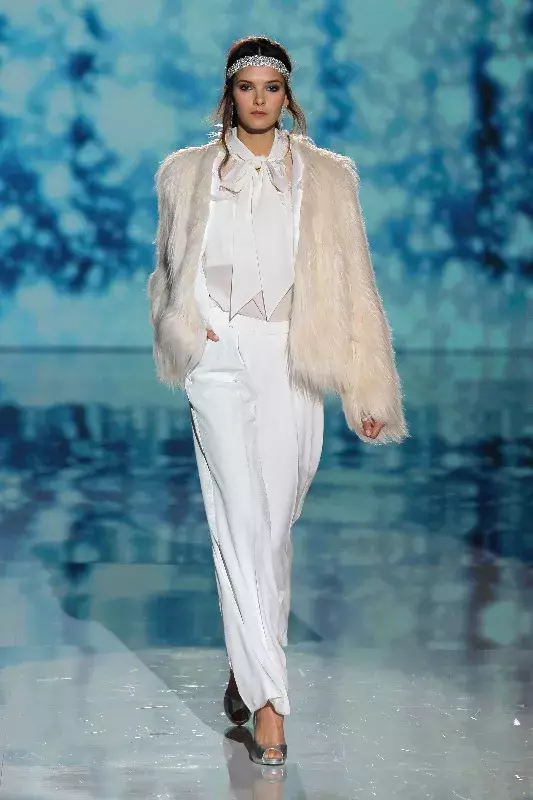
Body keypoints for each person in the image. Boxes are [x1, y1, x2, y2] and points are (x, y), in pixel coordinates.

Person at [148, 35, 408, 767]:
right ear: (228, 95)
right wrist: (187, 329)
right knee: (239, 521)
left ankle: (248, 665)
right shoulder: (186, 174)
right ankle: (270, 706)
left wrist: (364, 384)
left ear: (286, 96)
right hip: (217, 354)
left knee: (272, 530)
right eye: (246, 87)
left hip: (292, 353)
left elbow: (354, 283)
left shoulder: (327, 178)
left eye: (271, 87)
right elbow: (168, 269)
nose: (258, 100)